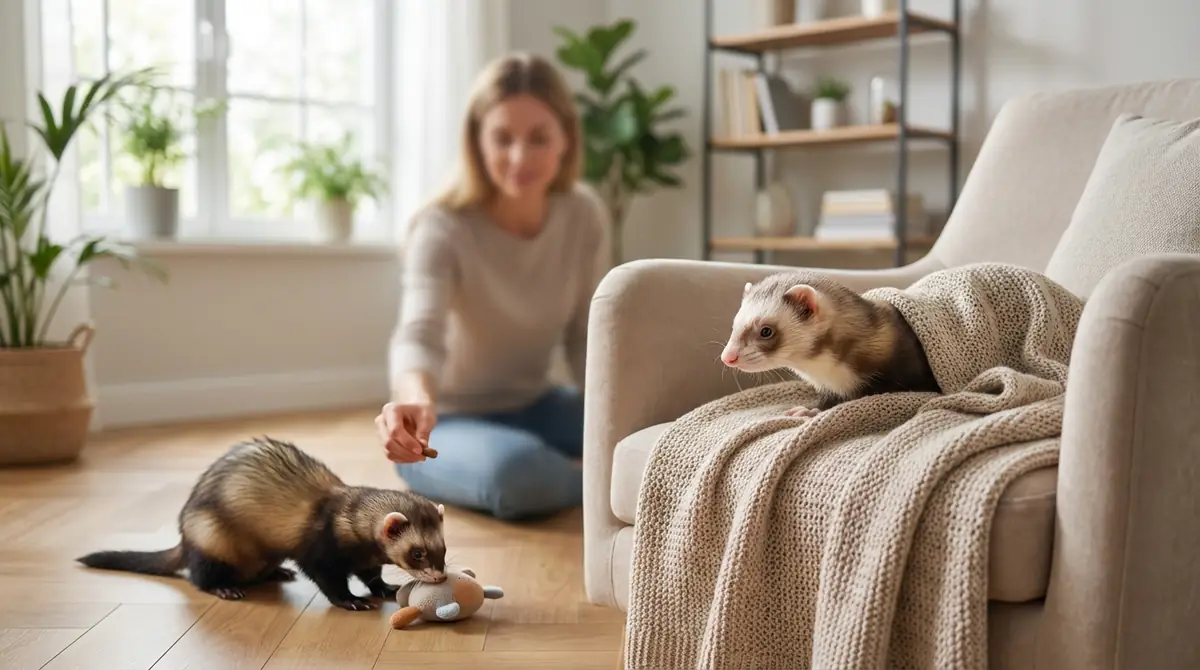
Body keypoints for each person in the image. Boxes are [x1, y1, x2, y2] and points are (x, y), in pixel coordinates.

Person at [375, 53, 610, 521]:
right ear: (477, 141)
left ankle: (588, 470)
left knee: (647, 429)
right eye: (502, 138)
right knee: (517, 474)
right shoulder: (441, 227)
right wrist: (416, 403)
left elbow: (587, 336)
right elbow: (418, 336)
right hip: (451, 420)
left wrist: (612, 421)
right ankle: (601, 479)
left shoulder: (582, 214)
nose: (520, 158)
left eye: (539, 138)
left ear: (566, 138)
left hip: (538, 403)